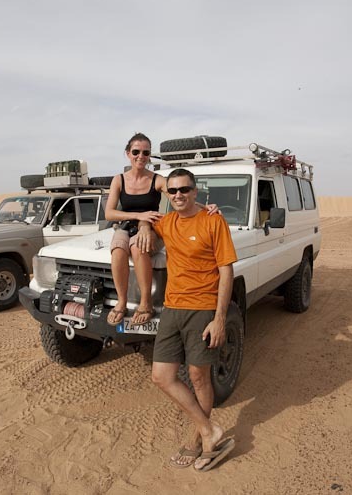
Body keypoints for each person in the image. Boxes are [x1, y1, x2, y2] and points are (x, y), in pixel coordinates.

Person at [148, 168, 237, 471]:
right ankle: (209, 429)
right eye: (172, 191)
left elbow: (227, 270)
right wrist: (144, 227)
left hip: (203, 309)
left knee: (199, 376)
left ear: (196, 191)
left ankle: (197, 439)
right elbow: (140, 223)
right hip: (172, 308)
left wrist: (220, 319)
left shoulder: (214, 220)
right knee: (161, 376)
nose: (178, 195)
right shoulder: (167, 222)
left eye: (184, 190)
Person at [104, 133, 217, 326]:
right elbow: (109, 213)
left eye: (146, 152)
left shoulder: (156, 179)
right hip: (126, 224)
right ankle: (121, 302)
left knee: (139, 248)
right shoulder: (119, 180)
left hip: (151, 226)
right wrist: (138, 215)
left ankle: (146, 303)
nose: (141, 156)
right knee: (117, 250)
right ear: (127, 154)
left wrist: (205, 207)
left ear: (149, 155)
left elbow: (178, 195)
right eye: (136, 152)